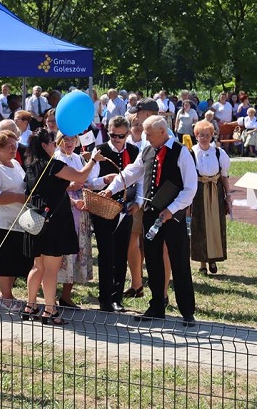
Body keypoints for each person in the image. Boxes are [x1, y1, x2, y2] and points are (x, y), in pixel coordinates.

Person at [107, 115, 199, 326]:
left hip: (174, 216)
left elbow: (190, 188)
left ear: (162, 132)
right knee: (153, 260)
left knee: (179, 261)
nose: (145, 137)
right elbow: (132, 172)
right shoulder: (147, 150)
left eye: (148, 134)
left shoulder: (181, 152)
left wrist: (171, 210)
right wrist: (111, 189)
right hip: (151, 214)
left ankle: (187, 311)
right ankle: (157, 306)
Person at [21, 129, 102, 325]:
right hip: (53, 221)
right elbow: (81, 176)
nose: (55, 146)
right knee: (51, 269)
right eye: (52, 143)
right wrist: (93, 160)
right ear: (44, 145)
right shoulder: (53, 165)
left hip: (37, 218)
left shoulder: (31, 165)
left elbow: (40, 190)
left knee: (38, 266)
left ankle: (30, 306)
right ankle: (50, 310)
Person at [89, 115, 140, 312]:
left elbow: (140, 179)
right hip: (103, 208)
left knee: (121, 253)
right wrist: (104, 180)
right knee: (106, 253)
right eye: (113, 135)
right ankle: (105, 298)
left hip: (125, 208)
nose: (116, 139)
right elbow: (89, 182)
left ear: (128, 134)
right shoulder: (100, 150)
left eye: (121, 136)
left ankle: (117, 297)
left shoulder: (134, 151)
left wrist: (138, 202)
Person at [0, 130, 31, 307]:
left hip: (18, 220)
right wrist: (19, 198)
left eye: (15, 145)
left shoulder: (16, 164)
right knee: (5, 260)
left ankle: (8, 294)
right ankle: (6, 298)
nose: (13, 149)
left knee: (14, 260)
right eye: (9, 146)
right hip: (1, 222)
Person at [53, 133, 94, 308]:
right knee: (60, 254)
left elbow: (88, 181)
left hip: (80, 209)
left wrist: (103, 181)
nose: (69, 143)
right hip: (63, 208)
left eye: (72, 139)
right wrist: (69, 188)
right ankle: (50, 295)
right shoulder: (56, 158)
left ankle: (66, 295)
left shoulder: (78, 159)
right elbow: (52, 188)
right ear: (59, 141)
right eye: (66, 139)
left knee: (75, 252)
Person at [190, 121, 232, 275]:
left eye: (207, 135)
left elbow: (224, 176)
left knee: (215, 224)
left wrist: (228, 195)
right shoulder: (191, 153)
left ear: (211, 136)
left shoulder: (219, 153)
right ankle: (202, 262)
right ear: (196, 136)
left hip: (216, 190)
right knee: (200, 226)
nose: (204, 138)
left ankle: (213, 259)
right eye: (201, 135)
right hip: (198, 191)